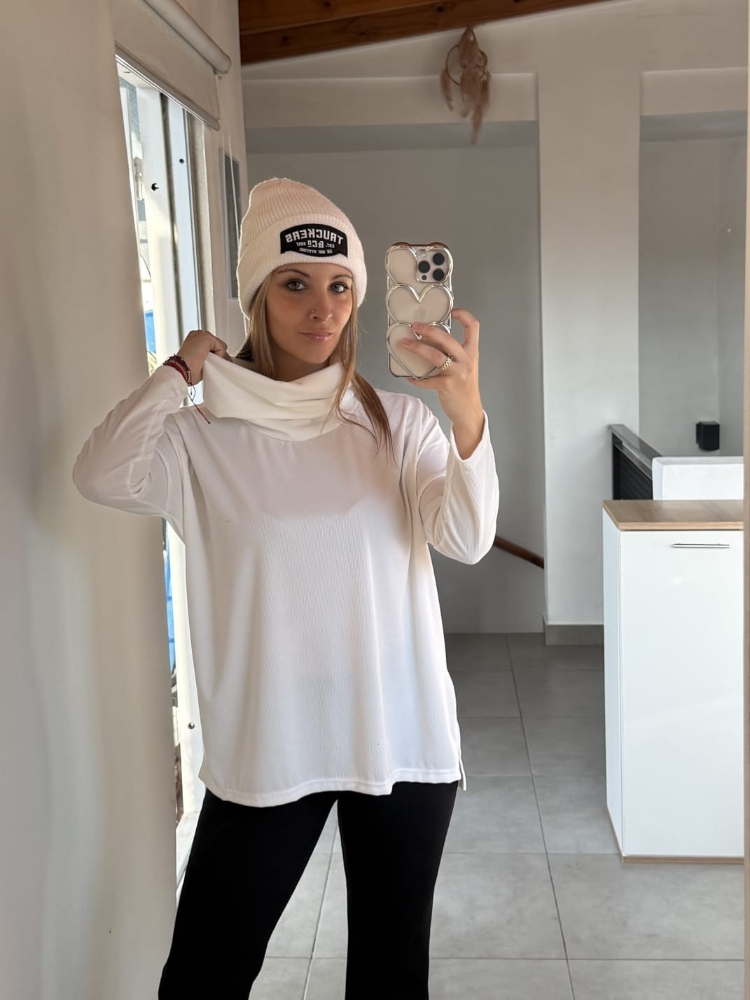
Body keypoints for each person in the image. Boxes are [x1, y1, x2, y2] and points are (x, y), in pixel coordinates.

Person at [73, 178, 499, 999]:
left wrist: (467, 414)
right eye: (295, 283)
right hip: (271, 741)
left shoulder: (397, 423)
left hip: (399, 734)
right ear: (257, 297)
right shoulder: (203, 438)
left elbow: (467, 538)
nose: (322, 308)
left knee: (390, 980)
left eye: (340, 286)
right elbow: (101, 475)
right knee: (203, 976)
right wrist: (180, 370)